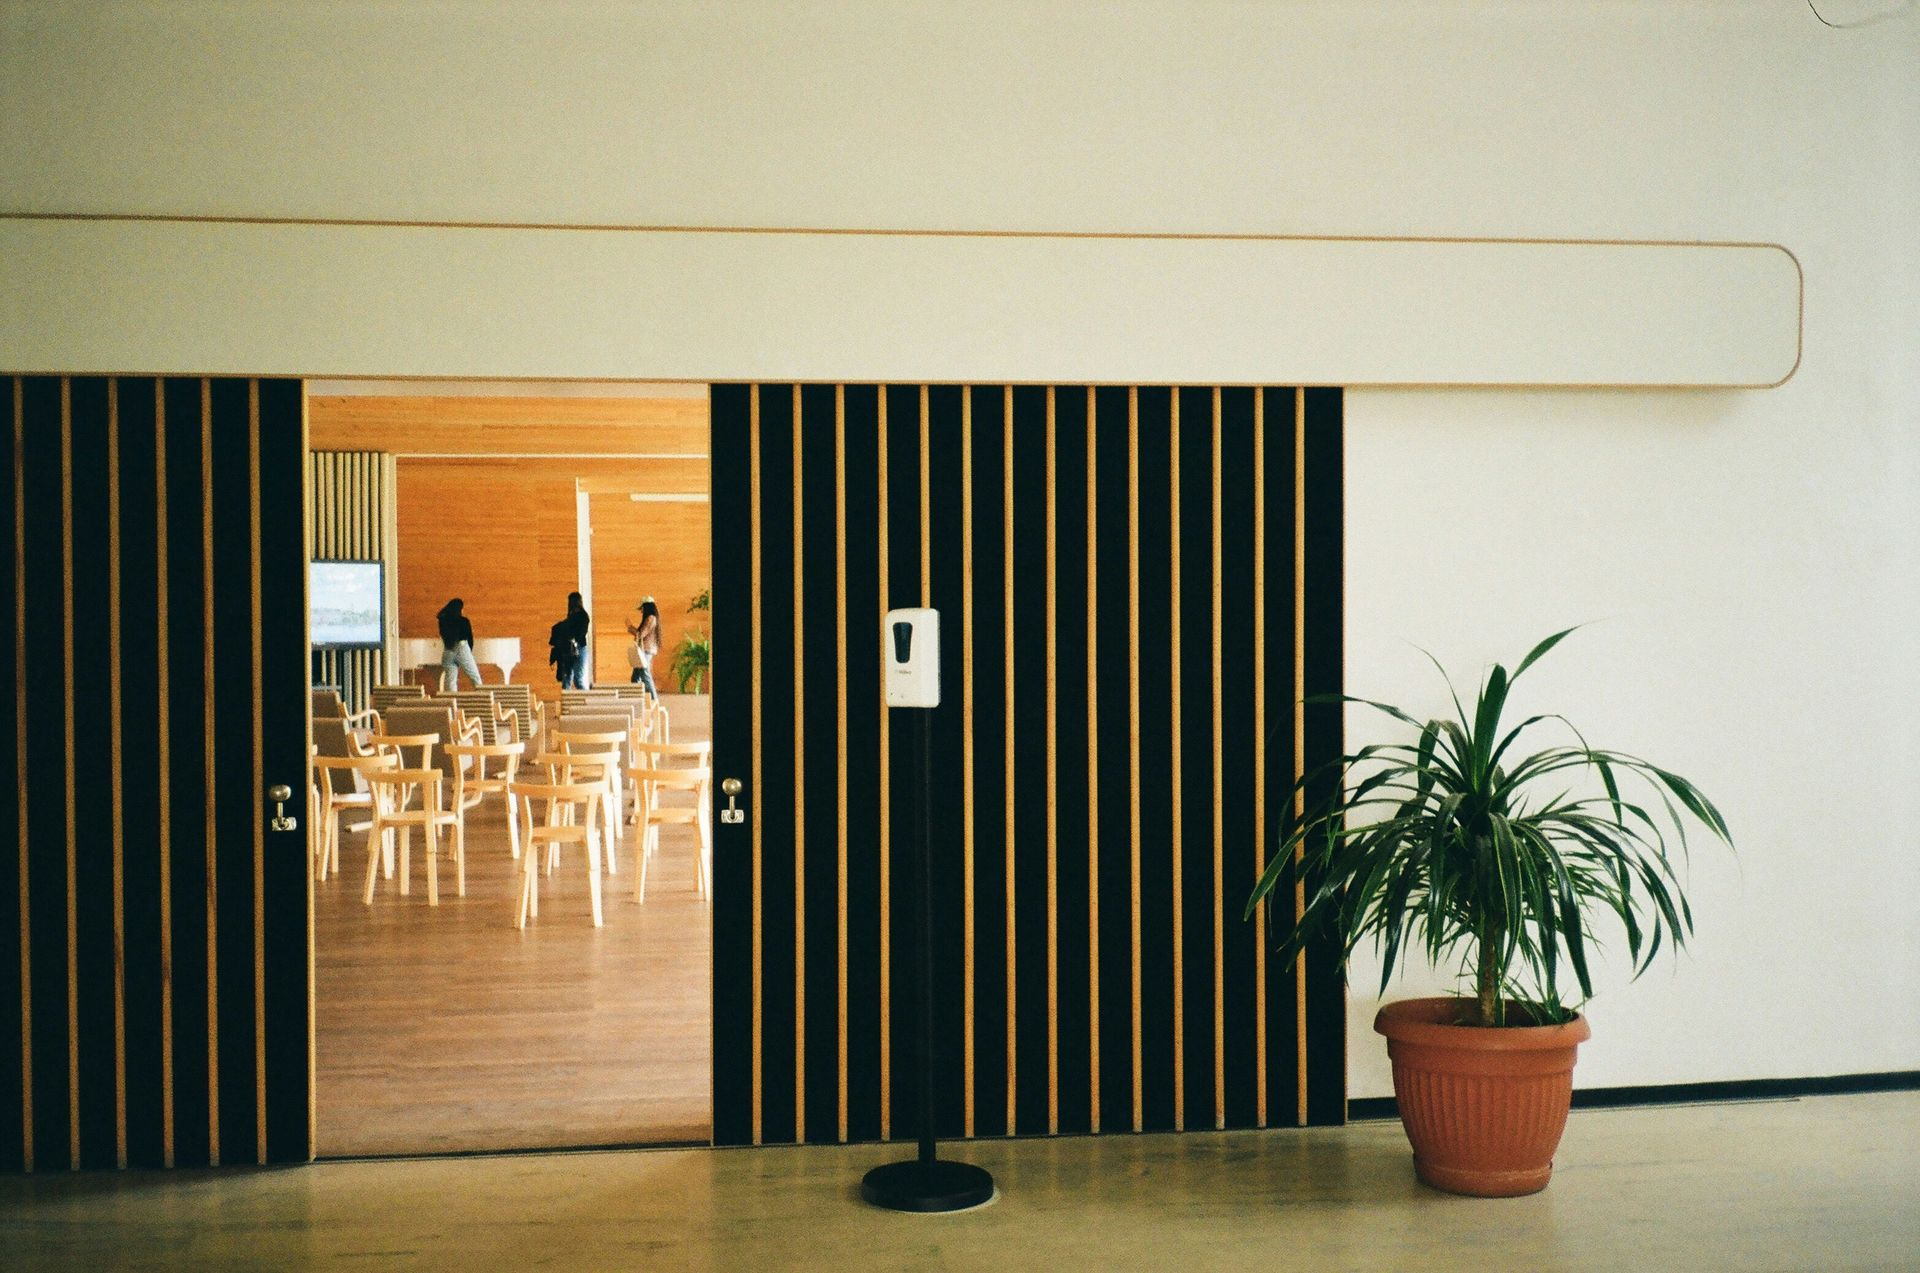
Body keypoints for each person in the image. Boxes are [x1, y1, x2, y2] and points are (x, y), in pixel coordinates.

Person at [436, 598, 482, 690]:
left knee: (451, 681)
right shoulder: (464, 621)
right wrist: (469, 652)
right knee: (475, 677)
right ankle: (482, 698)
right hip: (462, 648)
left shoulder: (443, 621)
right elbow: (470, 639)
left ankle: (452, 702)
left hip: (448, 650)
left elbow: (443, 635)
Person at [550, 591, 591, 689]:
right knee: (575, 679)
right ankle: (581, 701)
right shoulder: (581, 616)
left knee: (572, 679)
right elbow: (581, 633)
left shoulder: (576, 616)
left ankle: (580, 701)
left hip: (575, 649)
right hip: (577, 648)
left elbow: (578, 633)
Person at [625, 596, 662, 698]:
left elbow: (640, 634)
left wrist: (630, 627)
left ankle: (654, 700)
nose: (641, 611)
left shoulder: (650, 618)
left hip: (646, 650)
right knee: (635, 677)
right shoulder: (653, 618)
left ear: (646, 607)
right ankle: (636, 699)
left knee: (645, 675)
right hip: (645, 650)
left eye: (642, 608)